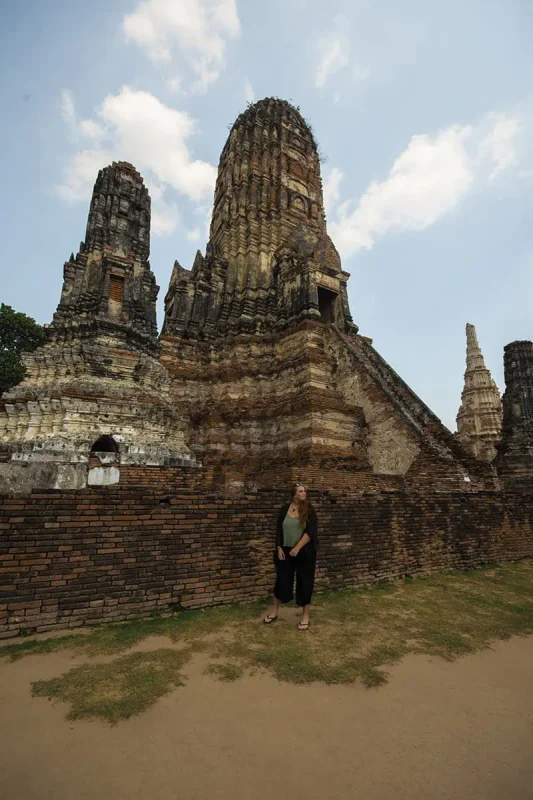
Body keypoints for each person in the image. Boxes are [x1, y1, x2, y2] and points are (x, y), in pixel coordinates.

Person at [263, 482, 318, 631]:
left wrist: (297, 548)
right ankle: (274, 612)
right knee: (282, 580)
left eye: (304, 491)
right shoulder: (284, 510)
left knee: (304, 581)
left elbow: (311, 532)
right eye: (300, 491)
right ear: (293, 494)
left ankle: (305, 616)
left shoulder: (309, 510)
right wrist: (279, 547)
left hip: (304, 551)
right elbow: (279, 530)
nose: (304, 493)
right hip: (285, 551)